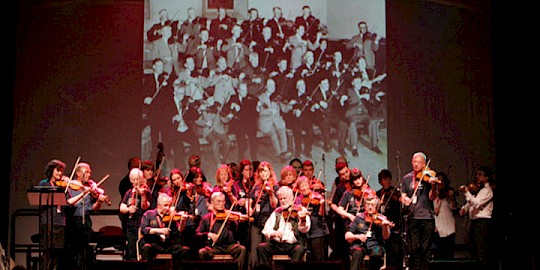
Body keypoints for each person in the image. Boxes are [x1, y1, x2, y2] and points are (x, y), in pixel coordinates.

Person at [64, 162, 108, 270]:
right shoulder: (69, 188)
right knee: (73, 251)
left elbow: (91, 208)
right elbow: (69, 203)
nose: (89, 175)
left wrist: (99, 201)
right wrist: (83, 193)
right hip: (72, 221)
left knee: (84, 251)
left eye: (90, 172)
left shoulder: (88, 188)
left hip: (85, 221)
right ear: (78, 173)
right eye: (86, 172)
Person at [399, 152, 439, 270]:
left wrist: (432, 185)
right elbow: (403, 195)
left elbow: (432, 197)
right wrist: (404, 199)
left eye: (419, 162)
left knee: (425, 249)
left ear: (424, 164)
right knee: (414, 249)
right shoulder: (407, 178)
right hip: (412, 217)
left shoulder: (428, 177)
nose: (416, 164)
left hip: (427, 218)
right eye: (414, 161)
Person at [256, 186, 311, 268]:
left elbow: (304, 229)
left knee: (299, 249)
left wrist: (302, 219)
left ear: (292, 198)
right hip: (277, 244)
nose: (283, 201)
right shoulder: (276, 212)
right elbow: (266, 229)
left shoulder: (299, 210)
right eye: (281, 199)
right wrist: (274, 233)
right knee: (261, 248)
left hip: (293, 245)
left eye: (285, 198)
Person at [196, 192, 248, 270]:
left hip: (229, 246)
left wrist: (239, 222)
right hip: (214, 247)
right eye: (218, 201)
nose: (221, 203)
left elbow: (238, 233)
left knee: (241, 249)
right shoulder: (206, 218)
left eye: (223, 201)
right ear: (212, 202)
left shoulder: (230, 216)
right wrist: (208, 234)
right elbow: (198, 233)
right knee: (202, 252)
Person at [140, 192, 190, 269]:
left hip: (168, 245)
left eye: (169, 205)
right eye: (166, 205)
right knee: (146, 249)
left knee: (184, 250)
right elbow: (144, 229)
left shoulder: (171, 216)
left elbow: (179, 230)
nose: (168, 208)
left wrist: (183, 221)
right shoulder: (149, 214)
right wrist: (160, 231)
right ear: (159, 206)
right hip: (154, 243)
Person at [459, 165, 494, 270]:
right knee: (473, 249)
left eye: (480, 175)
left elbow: (477, 203)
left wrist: (466, 192)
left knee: (481, 250)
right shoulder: (479, 190)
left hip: (483, 222)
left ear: (486, 177)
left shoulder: (487, 191)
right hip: (475, 222)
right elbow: (471, 202)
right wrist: (464, 208)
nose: (477, 177)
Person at [345, 196, 392, 270]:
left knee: (376, 254)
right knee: (357, 252)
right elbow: (347, 235)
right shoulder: (359, 217)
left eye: (372, 205)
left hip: (375, 246)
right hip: (360, 245)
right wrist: (358, 236)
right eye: (368, 204)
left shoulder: (381, 218)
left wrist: (385, 227)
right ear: (364, 206)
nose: (370, 207)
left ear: (376, 207)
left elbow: (386, 237)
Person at [38, 159, 67, 270]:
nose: (60, 174)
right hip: (48, 221)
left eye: (61, 171)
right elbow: (45, 199)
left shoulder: (62, 186)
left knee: (57, 252)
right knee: (47, 251)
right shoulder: (44, 183)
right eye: (57, 171)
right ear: (51, 170)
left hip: (59, 221)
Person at [119, 168, 151, 261]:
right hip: (130, 224)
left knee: (141, 248)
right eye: (134, 179)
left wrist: (143, 196)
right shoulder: (129, 193)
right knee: (131, 248)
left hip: (141, 224)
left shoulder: (146, 191)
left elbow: (145, 207)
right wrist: (128, 209)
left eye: (138, 179)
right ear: (131, 180)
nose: (136, 182)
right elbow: (122, 207)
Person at [376, 169, 403, 269]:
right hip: (382, 227)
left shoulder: (395, 193)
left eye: (388, 179)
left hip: (394, 226)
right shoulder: (378, 194)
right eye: (384, 180)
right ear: (380, 181)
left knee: (396, 251)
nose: (386, 182)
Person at [432, 171, 457, 260]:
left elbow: (454, 207)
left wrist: (451, 198)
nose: (440, 183)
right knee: (439, 254)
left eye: (442, 181)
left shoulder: (448, 194)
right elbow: (435, 211)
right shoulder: (433, 195)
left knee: (449, 254)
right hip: (438, 227)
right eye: (438, 180)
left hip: (449, 226)